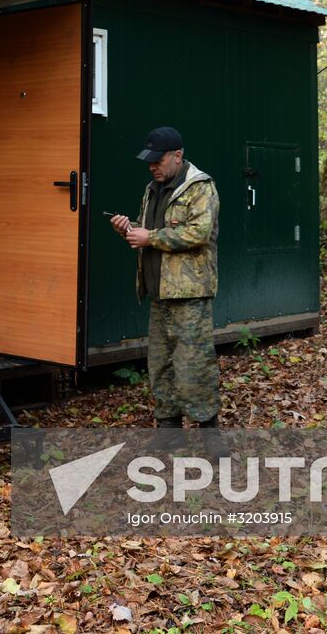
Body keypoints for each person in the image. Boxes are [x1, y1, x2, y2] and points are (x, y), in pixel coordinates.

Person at [108, 126, 224, 454]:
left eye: (157, 161)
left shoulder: (201, 187)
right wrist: (129, 229)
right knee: (160, 365)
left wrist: (151, 238)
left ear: (177, 156)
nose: (152, 167)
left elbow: (199, 233)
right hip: (159, 292)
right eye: (149, 162)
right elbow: (148, 232)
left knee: (194, 363)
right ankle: (170, 432)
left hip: (189, 293)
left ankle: (209, 435)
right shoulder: (152, 189)